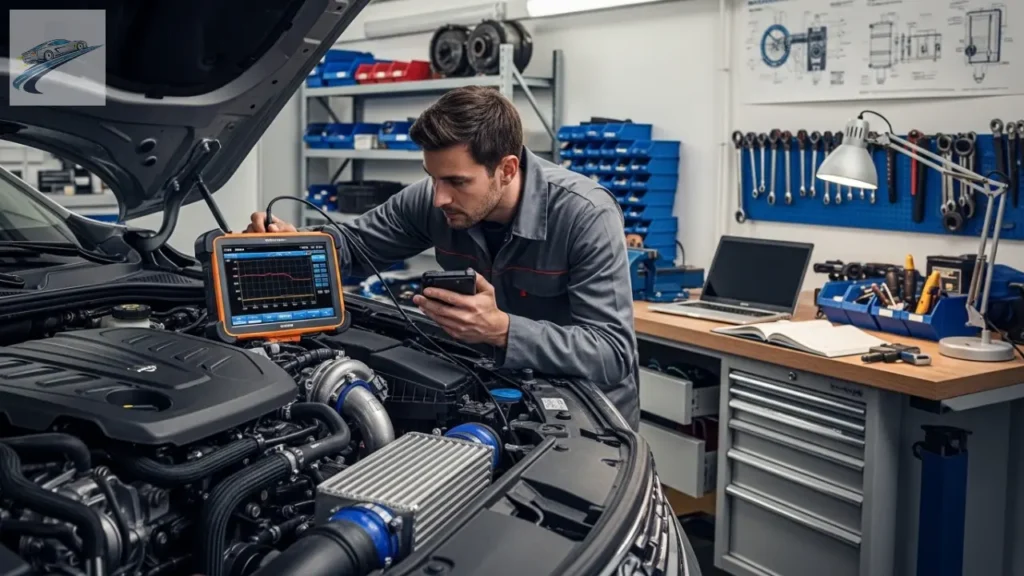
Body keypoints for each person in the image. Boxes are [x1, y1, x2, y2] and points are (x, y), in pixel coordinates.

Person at [248, 86, 639, 429]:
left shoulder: (585, 214)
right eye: (433, 177)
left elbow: (611, 353)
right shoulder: (432, 199)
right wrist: (294, 246)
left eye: (457, 181)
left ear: (506, 169)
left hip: (587, 420)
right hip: (493, 396)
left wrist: (502, 329)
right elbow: (352, 247)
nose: (439, 198)